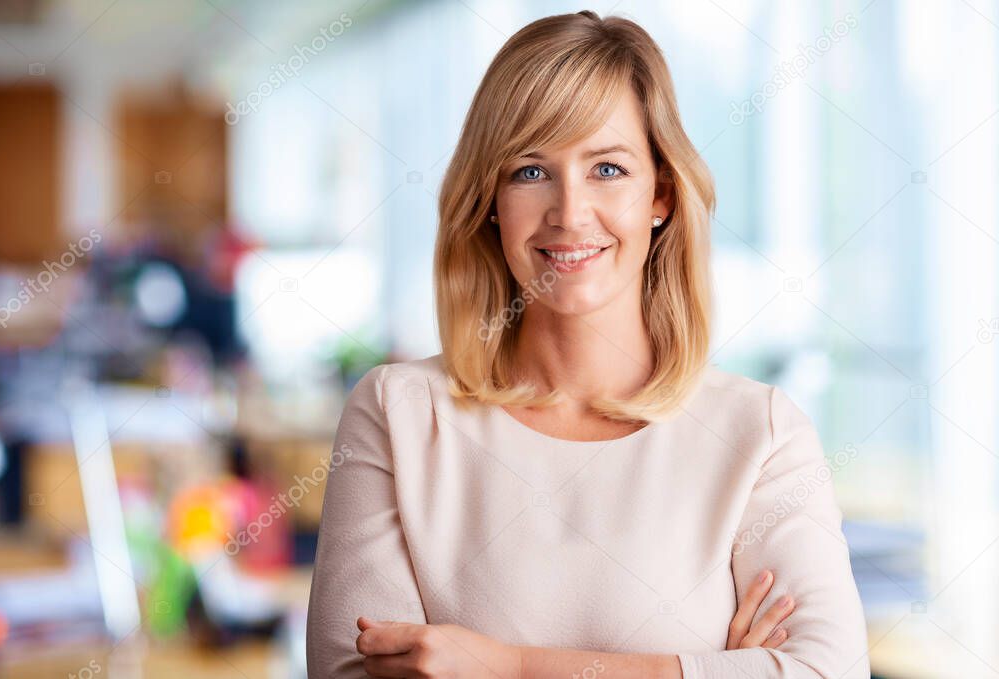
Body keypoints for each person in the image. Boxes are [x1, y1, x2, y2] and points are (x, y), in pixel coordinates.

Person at [307, 9, 869, 678]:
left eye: (607, 169)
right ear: (489, 199)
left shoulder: (760, 433)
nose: (570, 213)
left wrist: (505, 666)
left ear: (660, 194)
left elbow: (826, 671)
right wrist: (709, 665)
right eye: (529, 171)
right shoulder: (396, 415)